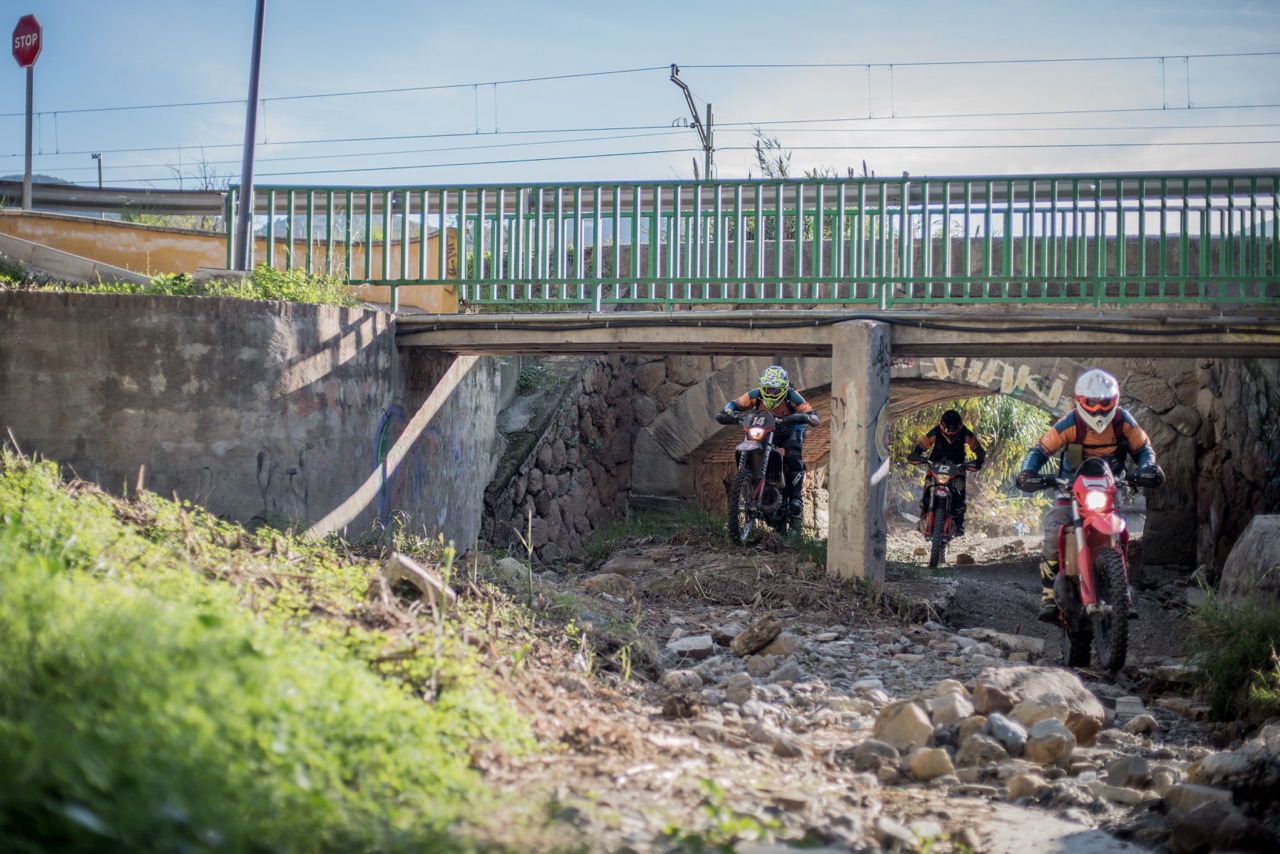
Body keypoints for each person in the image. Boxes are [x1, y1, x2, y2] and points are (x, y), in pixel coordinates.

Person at [1016, 369, 1164, 622]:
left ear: (1114, 401)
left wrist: (1147, 468)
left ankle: (1121, 590)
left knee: (1123, 532)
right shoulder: (1069, 422)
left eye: (1104, 402)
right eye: (1091, 403)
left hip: (1108, 490)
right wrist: (1029, 472)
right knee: (1054, 531)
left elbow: (1143, 449)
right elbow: (1040, 450)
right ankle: (1049, 596)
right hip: (1069, 490)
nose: (1098, 409)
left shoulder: (1124, 421)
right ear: (1080, 401)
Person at [717, 365, 820, 524]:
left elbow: (812, 414)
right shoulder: (754, 395)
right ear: (762, 387)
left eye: (776, 390)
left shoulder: (793, 396)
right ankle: (750, 481)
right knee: (750, 441)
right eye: (768, 389)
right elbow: (733, 404)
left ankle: (796, 499)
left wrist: (808, 417)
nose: (771, 393)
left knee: (793, 454)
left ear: (784, 388)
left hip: (790, 429)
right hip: (765, 428)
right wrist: (729, 412)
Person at [907, 409, 985, 536]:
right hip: (935, 466)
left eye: (954, 429)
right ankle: (923, 517)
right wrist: (917, 456)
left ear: (959, 426)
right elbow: (920, 447)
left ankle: (959, 523)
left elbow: (979, 450)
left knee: (960, 492)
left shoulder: (966, 433)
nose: (951, 432)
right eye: (948, 429)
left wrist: (978, 461)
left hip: (958, 467)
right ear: (942, 426)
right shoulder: (935, 432)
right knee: (927, 489)